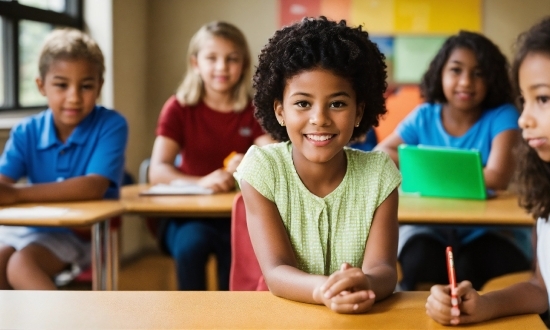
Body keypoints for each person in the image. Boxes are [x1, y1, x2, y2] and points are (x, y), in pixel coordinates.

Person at [234, 17, 401, 314]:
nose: (320, 118)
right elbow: (276, 272)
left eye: (337, 103)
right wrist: (327, 291)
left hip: (356, 315)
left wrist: (365, 283)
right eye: (302, 103)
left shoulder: (379, 174)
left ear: (359, 111)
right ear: (280, 111)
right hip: (281, 314)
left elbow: (385, 271)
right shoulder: (262, 169)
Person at [375, 30, 531, 291]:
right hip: (429, 227)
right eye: (456, 70)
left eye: (478, 73)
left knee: (474, 266)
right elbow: (381, 154)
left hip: (490, 230)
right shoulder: (424, 115)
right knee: (419, 260)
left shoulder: (503, 115)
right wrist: (460, 172)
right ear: (440, 73)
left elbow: (497, 177)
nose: (466, 82)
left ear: (492, 78)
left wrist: (423, 165)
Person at [426, 16, 550, 326]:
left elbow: (495, 175)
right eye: (526, 100)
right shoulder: (545, 201)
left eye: (543, 99)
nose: (523, 119)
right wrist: (483, 305)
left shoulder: (500, 118)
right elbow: (541, 289)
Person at [0, 28, 128, 290]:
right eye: (61, 85)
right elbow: (3, 185)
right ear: (41, 86)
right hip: (30, 228)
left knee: (20, 266)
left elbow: (94, 187)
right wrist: (9, 192)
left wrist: (17, 194)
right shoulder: (26, 131)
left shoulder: (111, 125)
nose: (74, 97)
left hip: (81, 236)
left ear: (100, 86)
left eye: (86, 86)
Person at [148, 21, 272, 291]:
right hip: (187, 217)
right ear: (195, 63)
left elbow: (273, 155)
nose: (221, 67)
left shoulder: (253, 110)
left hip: (238, 215)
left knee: (239, 251)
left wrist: (252, 160)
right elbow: (157, 170)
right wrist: (200, 182)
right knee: (193, 245)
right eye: (212, 58)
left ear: (243, 64)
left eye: (231, 59)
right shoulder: (178, 108)